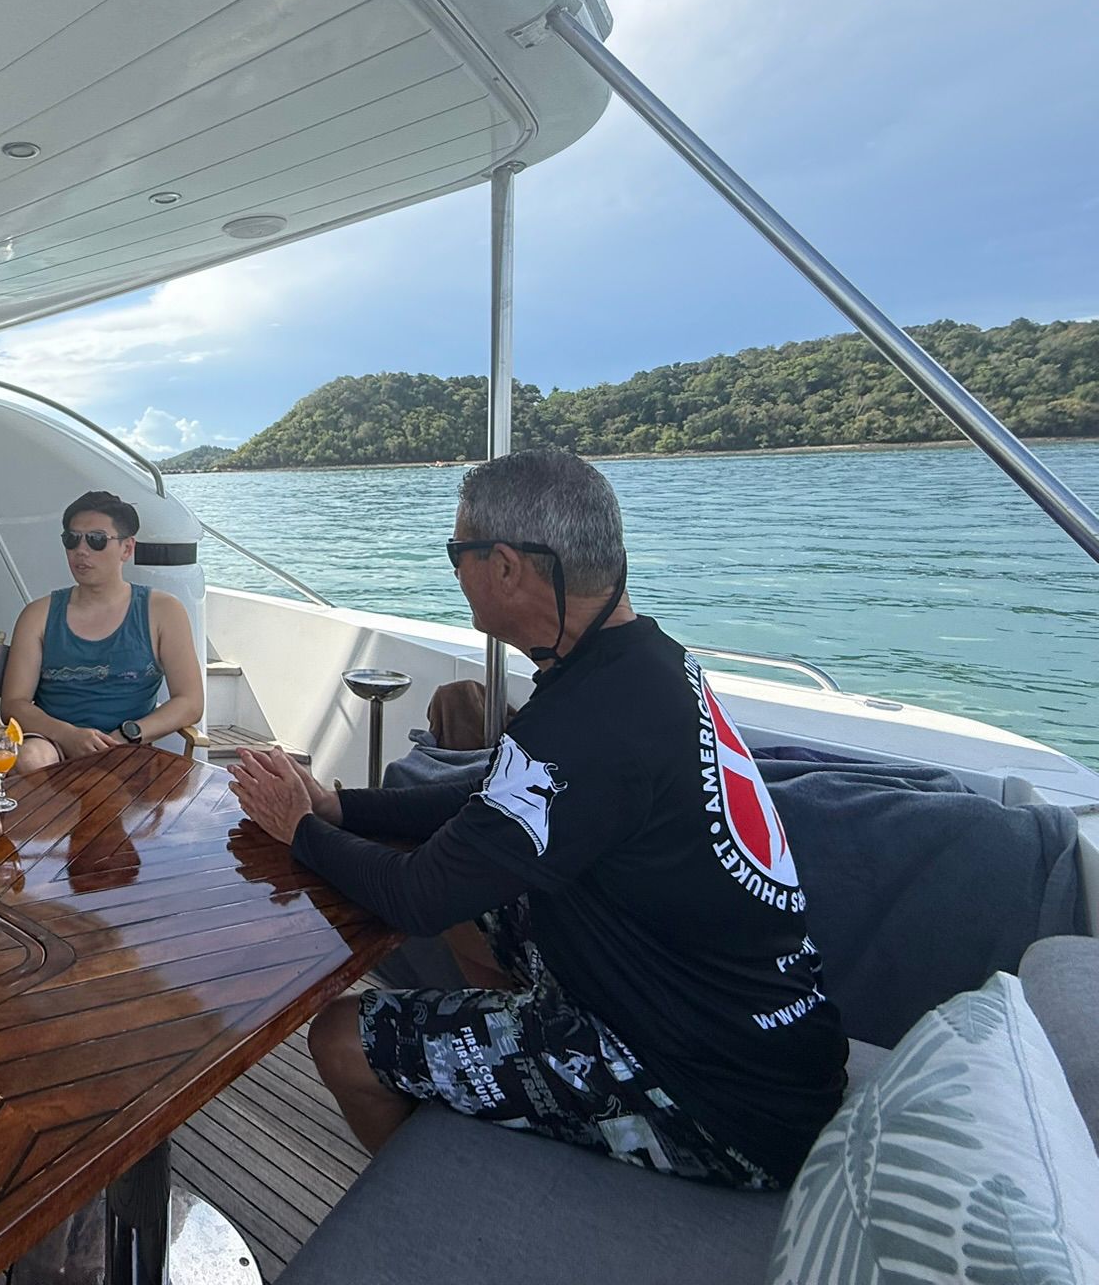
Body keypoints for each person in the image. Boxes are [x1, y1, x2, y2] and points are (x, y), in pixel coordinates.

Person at [229, 450, 847, 1190]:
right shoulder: (640, 661)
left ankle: (438, 1210)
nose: (455, 574)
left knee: (337, 1037)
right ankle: (507, 1064)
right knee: (479, 903)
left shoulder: (589, 718)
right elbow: (494, 798)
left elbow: (417, 897)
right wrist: (340, 807)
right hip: (742, 1032)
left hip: (715, 1100)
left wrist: (299, 829)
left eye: (456, 554)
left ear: (505, 567)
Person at [1, 491, 204, 771]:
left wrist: (127, 735)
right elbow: (13, 704)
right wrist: (67, 735)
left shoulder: (163, 611)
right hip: (54, 744)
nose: (81, 550)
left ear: (127, 549)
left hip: (128, 747)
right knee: (32, 758)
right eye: (72, 539)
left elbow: (190, 702)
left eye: (96, 540)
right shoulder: (38, 615)